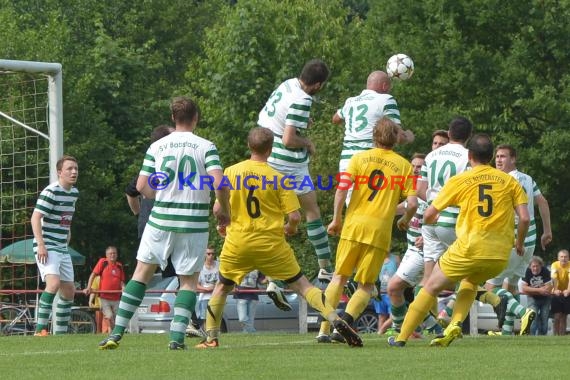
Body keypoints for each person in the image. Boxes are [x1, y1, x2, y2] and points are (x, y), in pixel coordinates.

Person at [195, 127, 362, 348]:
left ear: (249, 146)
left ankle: (212, 338)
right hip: (271, 244)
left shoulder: (232, 172)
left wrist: (222, 222)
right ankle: (334, 319)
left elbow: (218, 208)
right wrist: (290, 228)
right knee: (303, 287)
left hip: (238, 243)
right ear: (271, 149)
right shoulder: (279, 178)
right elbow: (294, 216)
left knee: (221, 288)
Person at [98, 96, 230, 350]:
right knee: (188, 282)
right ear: (196, 118)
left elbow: (140, 187)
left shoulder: (157, 147)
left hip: (160, 220)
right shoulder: (206, 146)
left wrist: (159, 197)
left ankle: (116, 333)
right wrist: (221, 208)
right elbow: (219, 183)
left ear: (173, 118)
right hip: (193, 222)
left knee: (140, 275)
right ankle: (176, 338)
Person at [388, 134, 530, 347]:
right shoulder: (510, 181)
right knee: (470, 281)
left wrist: (430, 220)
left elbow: (428, 213)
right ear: (491, 156)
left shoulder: (461, 180)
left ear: (470, 155)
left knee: (430, 287)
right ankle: (455, 323)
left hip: (470, 248)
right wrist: (518, 243)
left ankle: (400, 338)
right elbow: (525, 218)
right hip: (500, 255)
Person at [317, 117, 417, 344]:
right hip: (378, 230)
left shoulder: (359, 158)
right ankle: (343, 323)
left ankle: (325, 329)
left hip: (353, 225)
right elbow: (412, 204)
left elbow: (342, 190)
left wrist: (336, 219)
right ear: (396, 139)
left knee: (339, 278)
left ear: (374, 136)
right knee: (366, 286)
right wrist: (405, 220)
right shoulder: (403, 165)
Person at [257, 59, 334, 285]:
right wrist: (307, 142)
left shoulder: (288, 84)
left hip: (266, 153)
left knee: (272, 216)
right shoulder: (304, 99)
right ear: (318, 85)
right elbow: (290, 139)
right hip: (287, 161)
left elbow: (277, 116)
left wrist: (301, 122)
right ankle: (325, 268)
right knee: (312, 211)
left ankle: (271, 278)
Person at [484, 144, 552, 335]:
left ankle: (523, 312)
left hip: (515, 241)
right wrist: (547, 231)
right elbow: (543, 202)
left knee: (489, 287)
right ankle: (506, 331)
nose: (498, 160)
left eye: (503, 156)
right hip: (529, 243)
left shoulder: (501, 181)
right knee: (512, 285)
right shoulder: (528, 179)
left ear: (513, 159)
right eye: (497, 156)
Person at [31, 155, 79, 336]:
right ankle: (39, 330)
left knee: (69, 290)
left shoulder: (74, 193)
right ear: (60, 172)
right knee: (53, 283)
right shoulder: (51, 192)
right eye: (69, 169)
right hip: (47, 244)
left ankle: (60, 333)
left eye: (75, 168)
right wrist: (41, 244)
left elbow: (66, 218)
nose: (74, 172)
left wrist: (68, 234)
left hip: (61, 246)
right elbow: (35, 217)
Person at [125, 124, 175, 277]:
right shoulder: (161, 168)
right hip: (162, 225)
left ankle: (129, 301)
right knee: (184, 275)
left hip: (152, 225)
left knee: (143, 274)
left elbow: (130, 191)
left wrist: (139, 215)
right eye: (174, 136)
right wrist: (139, 213)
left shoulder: (152, 167)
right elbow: (133, 190)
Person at [84, 246, 125, 334]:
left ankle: (112, 334)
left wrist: (123, 288)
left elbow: (121, 281)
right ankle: (113, 334)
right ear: (106, 255)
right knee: (109, 316)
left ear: (117, 255)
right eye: (110, 253)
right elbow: (93, 275)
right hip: (104, 298)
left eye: (114, 253)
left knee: (116, 318)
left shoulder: (119, 266)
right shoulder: (103, 262)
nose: (112, 255)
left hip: (116, 298)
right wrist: (88, 287)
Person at [521, 256, 552, 335]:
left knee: (544, 318)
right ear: (530, 266)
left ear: (541, 265)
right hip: (532, 299)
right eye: (533, 266)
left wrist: (530, 290)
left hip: (545, 299)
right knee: (533, 317)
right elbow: (524, 288)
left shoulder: (545, 271)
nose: (535, 268)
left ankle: (542, 337)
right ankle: (532, 337)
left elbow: (548, 289)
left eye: (537, 266)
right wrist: (540, 290)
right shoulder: (527, 271)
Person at [375, 253, 400, 334]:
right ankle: (379, 337)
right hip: (379, 293)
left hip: (392, 292)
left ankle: (381, 331)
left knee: (394, 315)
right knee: (382, 316)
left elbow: (401, 274)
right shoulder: (377, 259)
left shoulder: (395, 258)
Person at [196, 246, 219, 325]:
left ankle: (214, 333)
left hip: (217, 296)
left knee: (216, 317)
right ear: (205, 255)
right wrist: (206, 289)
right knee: (204, 318)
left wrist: (216, 286)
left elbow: (223, 280)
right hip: (204, 297)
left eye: (213, 254)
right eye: (208, 254)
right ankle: (206, 334)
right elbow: (196, 284)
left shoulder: (218, 265)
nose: (211, 256)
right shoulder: (200, 267)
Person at [550, 249, 570, 335]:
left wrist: (568, 290)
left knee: (564, 316)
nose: (563, 258)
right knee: (557, 316)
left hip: (567, 292)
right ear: (558, 258)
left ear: (568, 258)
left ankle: (562, 336)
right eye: (561, 257)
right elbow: (554, 277)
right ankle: (555, 335)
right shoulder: (554, 265)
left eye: (565, 257)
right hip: (556, 292)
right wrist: (555, 289)